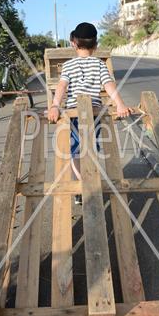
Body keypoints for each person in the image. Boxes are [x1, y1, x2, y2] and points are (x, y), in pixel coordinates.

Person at [47, 22, 132, 204]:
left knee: (76, 151)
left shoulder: (68, 66)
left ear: (74, 43)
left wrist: (55, 105)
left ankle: (82, 185)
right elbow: (109, 85)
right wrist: (120, 104)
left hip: (74, 114)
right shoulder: (99, 65)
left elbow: (62, 86)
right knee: (90, 149)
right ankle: (87, 183)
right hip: (94, 114)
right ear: (95, 45)